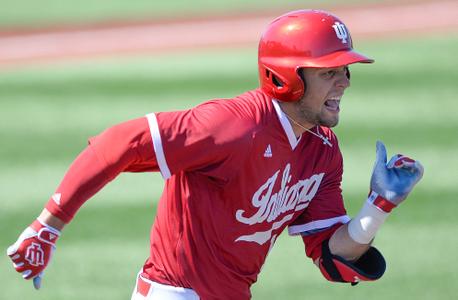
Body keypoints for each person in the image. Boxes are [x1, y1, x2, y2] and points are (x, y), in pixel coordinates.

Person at [7, 9, 423, 300]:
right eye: (329, 72)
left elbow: (333, 258)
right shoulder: (232, 125)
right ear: (286, 77)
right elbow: (121, 142)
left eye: (345, 71)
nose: (344, 83)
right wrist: (49, 225)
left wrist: (380, 204)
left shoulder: (323, 152)